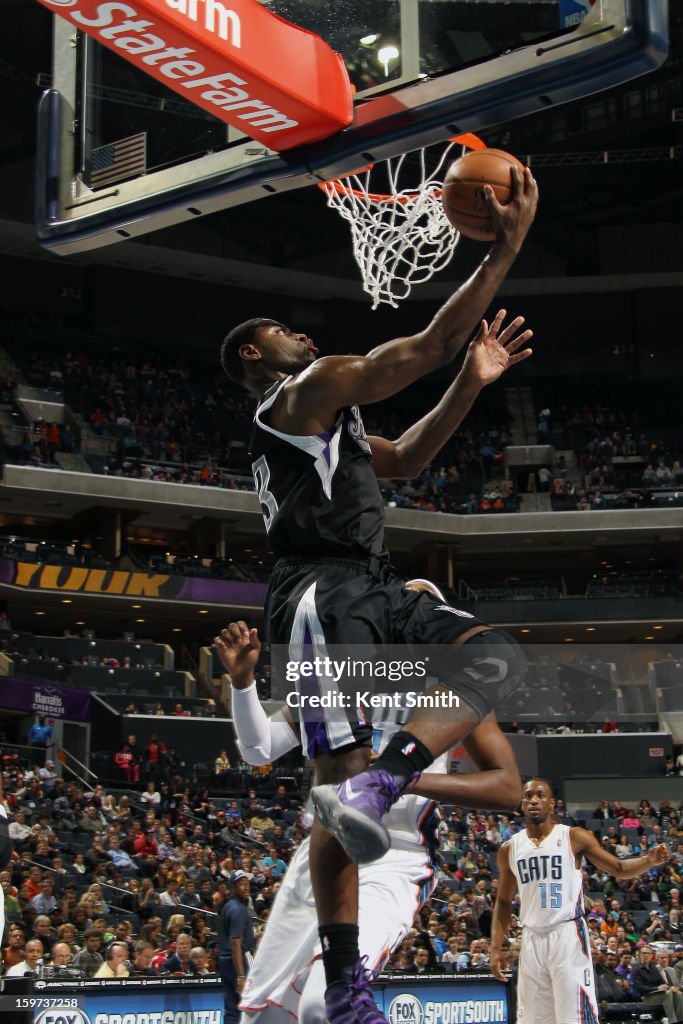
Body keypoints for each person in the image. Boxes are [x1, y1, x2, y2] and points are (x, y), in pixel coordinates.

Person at [220, 171, 536, 1022]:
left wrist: (471, 382)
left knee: (494, 657)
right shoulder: (299, 392)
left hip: (367, 579)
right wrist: (502, 249)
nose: (298, 332)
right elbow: (422, 346)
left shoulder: (329, 421)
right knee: (334, 772)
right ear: (256, 357)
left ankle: (382, 784)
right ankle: (347, 981)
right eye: (280, 329)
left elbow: (407, 462)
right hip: (319, 593)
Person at [214, 591, 521, 1024]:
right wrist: (244, 684)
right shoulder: (338, 677)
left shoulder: (454, 691)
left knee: (325, 1002)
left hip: (395, 855)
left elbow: (509, 787)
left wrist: (399, 777)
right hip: (322, 853)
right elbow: (259, 747)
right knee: (265, 1019)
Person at [490, 778, 670, 1024]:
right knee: (532, 1019)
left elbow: (618, 867)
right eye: (528, 796)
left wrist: (648, 861)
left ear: (552, 804)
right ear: (522, 803)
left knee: (574, 1017)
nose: (533, 800)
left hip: (567, 934)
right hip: (531, 937)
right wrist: (496, 947)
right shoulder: (510, 849)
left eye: (540, 795)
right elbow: (502, 900)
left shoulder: (573, 837)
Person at [218, 870, 255, 1024]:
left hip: (225, 959)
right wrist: (240, 975)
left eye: (247, 884)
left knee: (231, 1007)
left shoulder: (228, 906)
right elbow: (235, 943)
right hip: (239, 960)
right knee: (249, 1003)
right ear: (233, 887)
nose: (246, 888)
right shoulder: (239, 910)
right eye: (242, 884)